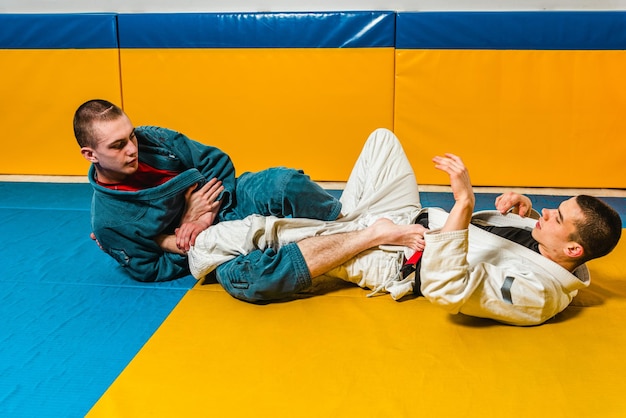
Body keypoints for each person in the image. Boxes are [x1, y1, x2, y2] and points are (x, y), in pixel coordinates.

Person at [186, 128, 622, 326]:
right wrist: (522, 215)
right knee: (382, 141)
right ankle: (348, 220)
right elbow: (507, 243)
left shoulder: (537, 296)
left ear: (573, 251)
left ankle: (353, 232)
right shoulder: (550, 247)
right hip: (411, 216)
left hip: (399, 257)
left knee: (232, 237)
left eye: (556, 218)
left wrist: (465, 204)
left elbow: (447, 287)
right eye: (553, 209)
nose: (547, 213)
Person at [73, 99, 343, 282]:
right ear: (90, 154)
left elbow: (215, 162)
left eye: (131, 135)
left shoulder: (153, 138)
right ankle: (338, 247)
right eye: (118, 145)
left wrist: (203, 215)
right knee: (253, 279)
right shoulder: (109, 222)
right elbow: (151, 268)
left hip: (225, 202)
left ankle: (343, 221)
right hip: (198, 246)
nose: (132, 148)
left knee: (284, 183)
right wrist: (181, 232)